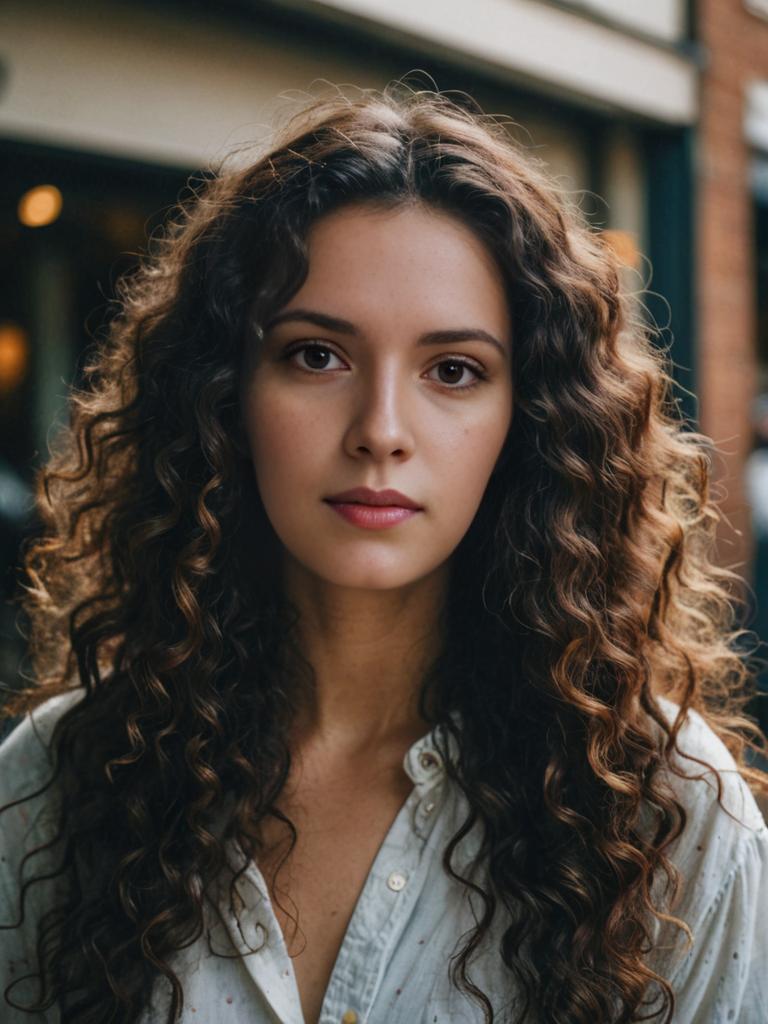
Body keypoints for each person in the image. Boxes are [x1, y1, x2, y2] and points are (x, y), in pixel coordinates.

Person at [1, 81, 766, 1024]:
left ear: (525, 420)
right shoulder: (61, 779)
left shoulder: (666, 809)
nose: (381, 431)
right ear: (223, 394)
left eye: (454, 371)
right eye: (317, 355)